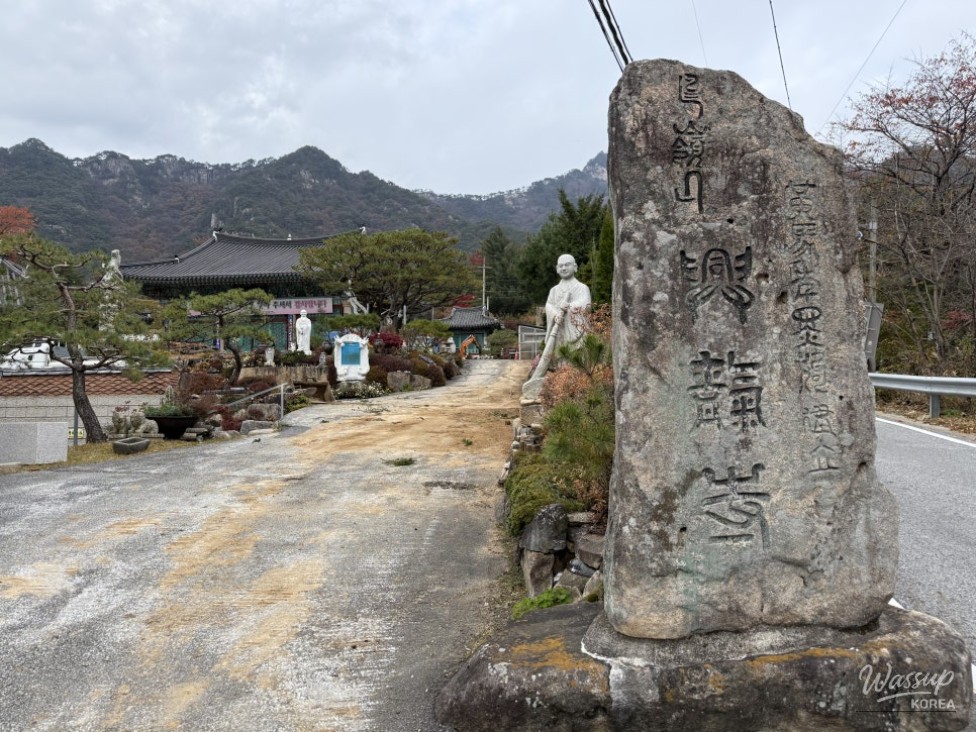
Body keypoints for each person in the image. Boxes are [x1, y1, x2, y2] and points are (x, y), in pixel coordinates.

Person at [545, 253, 592, 352]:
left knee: (578, 361)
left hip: (576, 332)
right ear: (557, 269)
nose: (564, 268)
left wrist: (570, 306)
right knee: (560, 358)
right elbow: (548, 305)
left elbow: (586, 305)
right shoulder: (554, 290)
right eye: (561, 266)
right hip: (560, 331)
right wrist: (555, 315)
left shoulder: (582, 288)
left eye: (567, 265)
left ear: (575, 267)